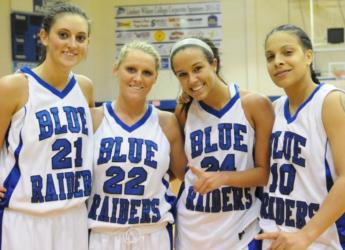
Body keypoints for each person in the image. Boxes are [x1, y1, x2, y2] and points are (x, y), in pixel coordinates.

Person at [0, 3, 94, 249]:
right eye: (63, 35)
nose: (72, 44)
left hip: (73, 215)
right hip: (25, 217)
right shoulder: (14, 86)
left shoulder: (85, 88)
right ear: (44, 37)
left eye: (80, 37)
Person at [170, 37, 274, 249]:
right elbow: (183, 171)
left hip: (240, 229)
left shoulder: (255, 104)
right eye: (183, 75)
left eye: (197, 68)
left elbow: (264, 174)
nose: (192, 80)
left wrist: (223, 178)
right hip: (192, 229)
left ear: (214, 64)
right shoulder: (183, 110)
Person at [87, 40, 187, 250]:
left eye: (147, 72)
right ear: (116, 69)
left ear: (155, 77)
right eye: (131, 69)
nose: (138, 78)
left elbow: (186, 174)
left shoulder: (167, 123)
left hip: (152, 233)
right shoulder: (94, 119)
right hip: (102, 233)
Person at [256, 24, 345, 250]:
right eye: (270, 56)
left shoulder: (330, 101)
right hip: (275, 236)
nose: (277, 61)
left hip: (319, 239)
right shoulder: (274, 108)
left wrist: (306, 235)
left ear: (308, 56)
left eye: (287, 52)